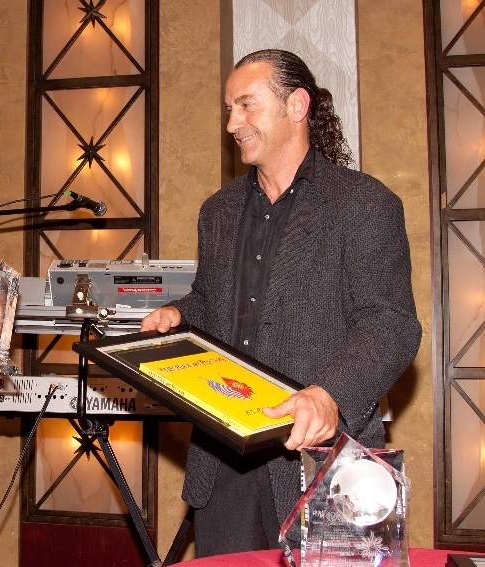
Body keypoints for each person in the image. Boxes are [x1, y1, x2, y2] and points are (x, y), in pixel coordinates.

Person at [140, 49, 421, 556]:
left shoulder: (364, 204)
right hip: (226, 465)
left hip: (329, 466)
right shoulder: (218, 212)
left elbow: (391, 324)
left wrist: (329, 394)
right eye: (229, 108)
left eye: (246, 105)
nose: (232, 123)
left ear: (296, 105)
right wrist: (181, 315)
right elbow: (212, 304)